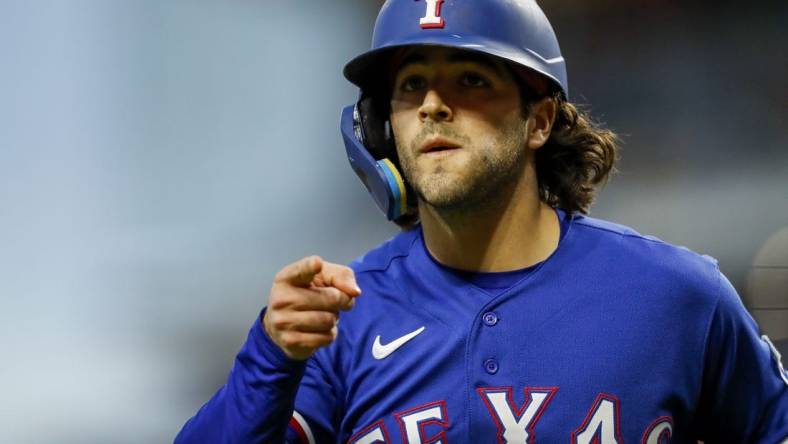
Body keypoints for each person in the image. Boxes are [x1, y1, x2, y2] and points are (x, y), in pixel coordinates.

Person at [176, 0, 788, 442]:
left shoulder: (678, 296)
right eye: (411, 85)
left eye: (471, 80)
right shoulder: (342, 318)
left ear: (540, 120)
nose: (434, 106)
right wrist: (270, 357)